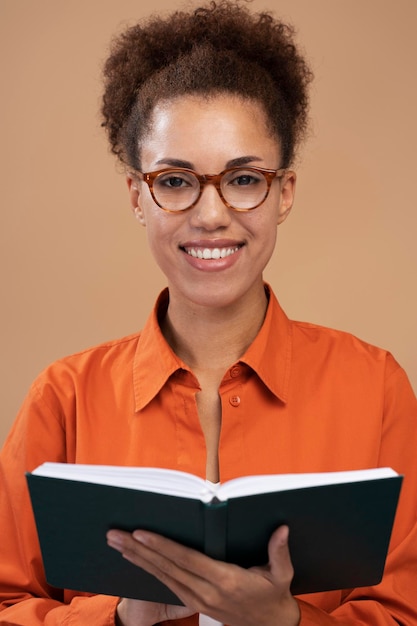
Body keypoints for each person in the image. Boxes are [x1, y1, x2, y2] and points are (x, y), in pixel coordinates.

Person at [1, 1, 416, 625]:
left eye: (244, 179)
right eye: (175, 180)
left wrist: (287, 622)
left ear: (285, 194)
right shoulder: (64, 398)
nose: (212, 214)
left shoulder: (375, 386)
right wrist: (123, 615)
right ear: (138, 196)